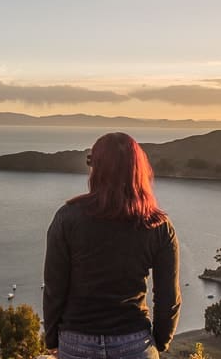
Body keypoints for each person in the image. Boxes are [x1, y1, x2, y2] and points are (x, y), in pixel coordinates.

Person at [43, 132, 181, 359]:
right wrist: (160, 342)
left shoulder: (67, 218)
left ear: (96, 168)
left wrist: (52, 340)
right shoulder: (158, 225)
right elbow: (168, 298)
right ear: (139, 169)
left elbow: (54, 288)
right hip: (134, 342)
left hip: (77, 343)